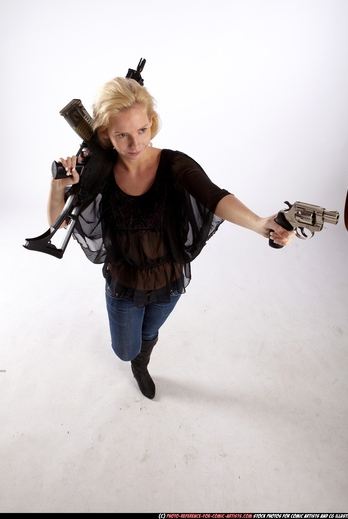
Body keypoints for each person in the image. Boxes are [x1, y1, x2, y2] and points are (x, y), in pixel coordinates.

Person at [47, 75, 293, 400]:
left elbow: (215, 197)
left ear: (151, 123)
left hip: (169, 280)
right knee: (124, 350)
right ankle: (133, 358)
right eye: (122, 135)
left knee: (149, 333)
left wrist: (260, 223)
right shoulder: (98, 171)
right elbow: (57, 224)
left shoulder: (175, 164)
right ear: (106, 134)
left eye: (142, 131)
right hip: (124, 283)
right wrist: (60, 185)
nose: (135, 144)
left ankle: (142, 363)